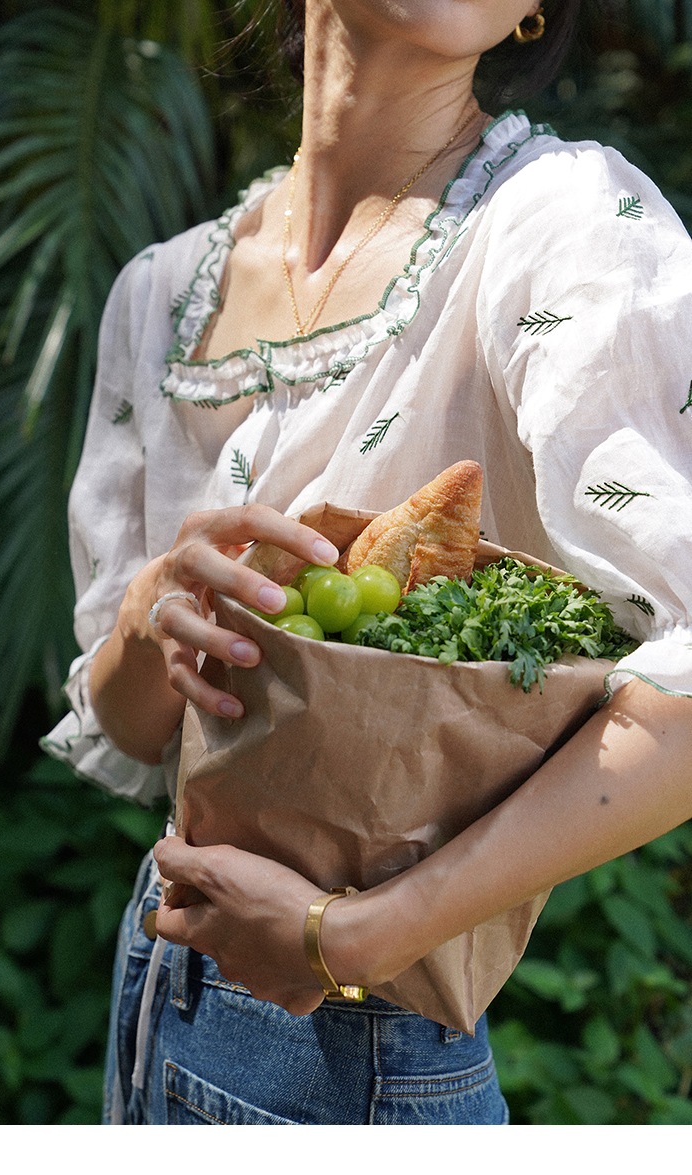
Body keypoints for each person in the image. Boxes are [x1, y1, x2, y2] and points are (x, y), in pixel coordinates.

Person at [43, 0, 692, 1125]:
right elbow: (139, 731)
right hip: (159, 981)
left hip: (368, 1035)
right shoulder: (162, 290)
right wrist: (157, 606)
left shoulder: (568, 229)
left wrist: (351, 936)